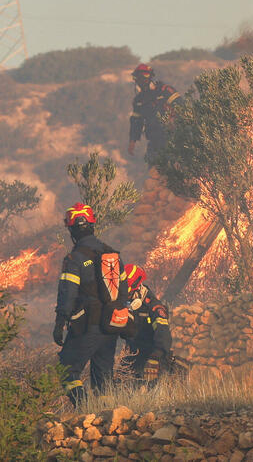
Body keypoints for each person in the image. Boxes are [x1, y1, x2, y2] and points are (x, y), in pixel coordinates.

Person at [53, 203, 123, 407]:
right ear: (92, 225)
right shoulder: (112, 254)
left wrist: (60, 323)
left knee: (66, 367)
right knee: (103, 376)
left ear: (72, 230)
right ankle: (106, 417)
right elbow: (125, 290)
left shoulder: (74, 259)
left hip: (87, 325)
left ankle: (83, 408)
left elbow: (68, 294)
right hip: (111, 325)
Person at [121, 263, 173, 384]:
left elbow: (163, 332)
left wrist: (156, 356)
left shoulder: (154, 306)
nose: (126, 298)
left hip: (153, 355)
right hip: (133, 353)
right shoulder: (126, 302)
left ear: (137, 288)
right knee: (120, 382)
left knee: (151, 386)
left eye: (128, 294)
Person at [128, 63, 179, 162]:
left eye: (143, 78)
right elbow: (136, 122)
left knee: (176, 170)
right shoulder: (139, 100)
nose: (140, 82)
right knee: (155, 170)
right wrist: (132, 141)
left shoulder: (165, 91)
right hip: (154, 141)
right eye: (137, 79)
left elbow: (182, 107)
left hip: (173, 139)